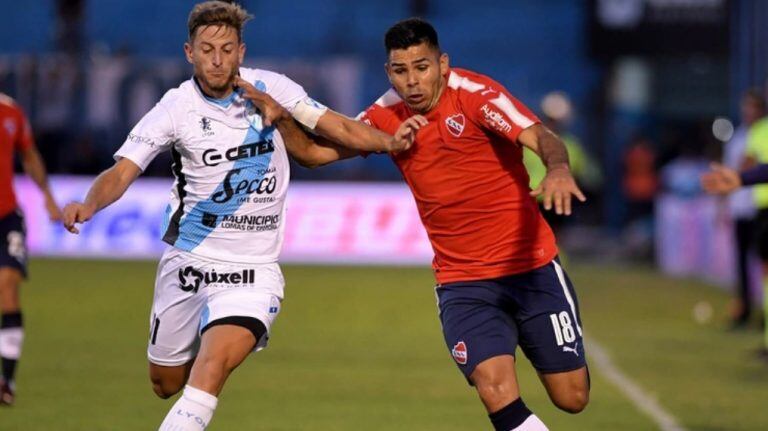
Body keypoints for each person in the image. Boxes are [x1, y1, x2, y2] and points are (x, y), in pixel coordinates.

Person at [61, 2, 418, 429]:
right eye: (207, 49)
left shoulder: (272, 88)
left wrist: (389, 143)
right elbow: (123, 170)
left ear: (241, 52)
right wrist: (89, 203)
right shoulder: (175, 107)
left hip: (253, 269)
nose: (217, 59)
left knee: (210, 370)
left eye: (227, 49)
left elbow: (334, 126)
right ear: (189, 52)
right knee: (165, 382)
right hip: (189, 260)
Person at [240, 17, 589, 431]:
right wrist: (281, 118)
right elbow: (314, 154)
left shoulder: (476, 96)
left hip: (531, 269)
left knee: (572, 398)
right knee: (495, 388)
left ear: (443, 64)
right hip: (464, 282)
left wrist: (560, 168)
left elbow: (541, 136)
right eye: (401, 71)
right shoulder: (385, 114)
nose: (413, 81)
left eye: (422, 67)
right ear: (389, 72)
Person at [0, 93, 62, 405]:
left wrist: (48, 197)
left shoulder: (11, 112)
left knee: (8, 288)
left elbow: (30, 155)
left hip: (6, 217)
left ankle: (6, 381)